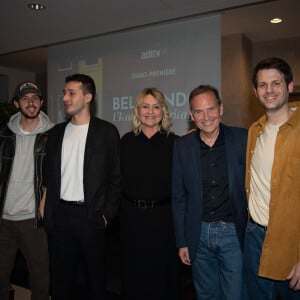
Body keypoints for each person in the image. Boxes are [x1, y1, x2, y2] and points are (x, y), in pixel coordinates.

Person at [43, 73, 121, 300]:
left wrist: (106, 215)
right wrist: (45, 206)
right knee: (60, 279)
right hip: (59, 216)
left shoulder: (106, 132)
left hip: (91, 216)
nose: (65, 98)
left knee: (95, 281)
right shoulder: (56, 133)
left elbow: (116, 178)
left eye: (71, 93)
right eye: (64, 93)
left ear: (88, 97)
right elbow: (49, 175)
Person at [172, 85, 248, 300]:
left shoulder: (243, 139)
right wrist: (182, 241)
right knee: (206, 295)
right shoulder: (182, 146)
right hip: (198, 235)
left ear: (221, 109)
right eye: (199, 111)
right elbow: (179, 198)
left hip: (233, 234)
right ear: (191, 115)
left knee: (235, 295)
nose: (206, 117)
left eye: (211, 109)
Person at [244, 57, 300, 299]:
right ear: (255, 91)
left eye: (275, 83)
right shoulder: (254, 131)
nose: (269, 90)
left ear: (289, 86)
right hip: (254, 237)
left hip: (291, 243)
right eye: (263, 85)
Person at [120, 87, 181, 300]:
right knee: (134, 274)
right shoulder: (125, 142)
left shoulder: (176, 143)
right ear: (138, 111)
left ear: (163, 111)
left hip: (164, 220)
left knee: (163, 277)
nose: (150, 111)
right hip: (131, 219)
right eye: (145, 106)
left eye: (156, 107)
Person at [0, 81, 53, 300]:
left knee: (40, 280)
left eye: (35, 98)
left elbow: (56, 174)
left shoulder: (53, 135)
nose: (30, 103)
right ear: (16, 103)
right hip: (3, 219)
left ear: (41, 102)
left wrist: (45, 201)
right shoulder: (3, 135)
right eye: (25, 98)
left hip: (34, 221)